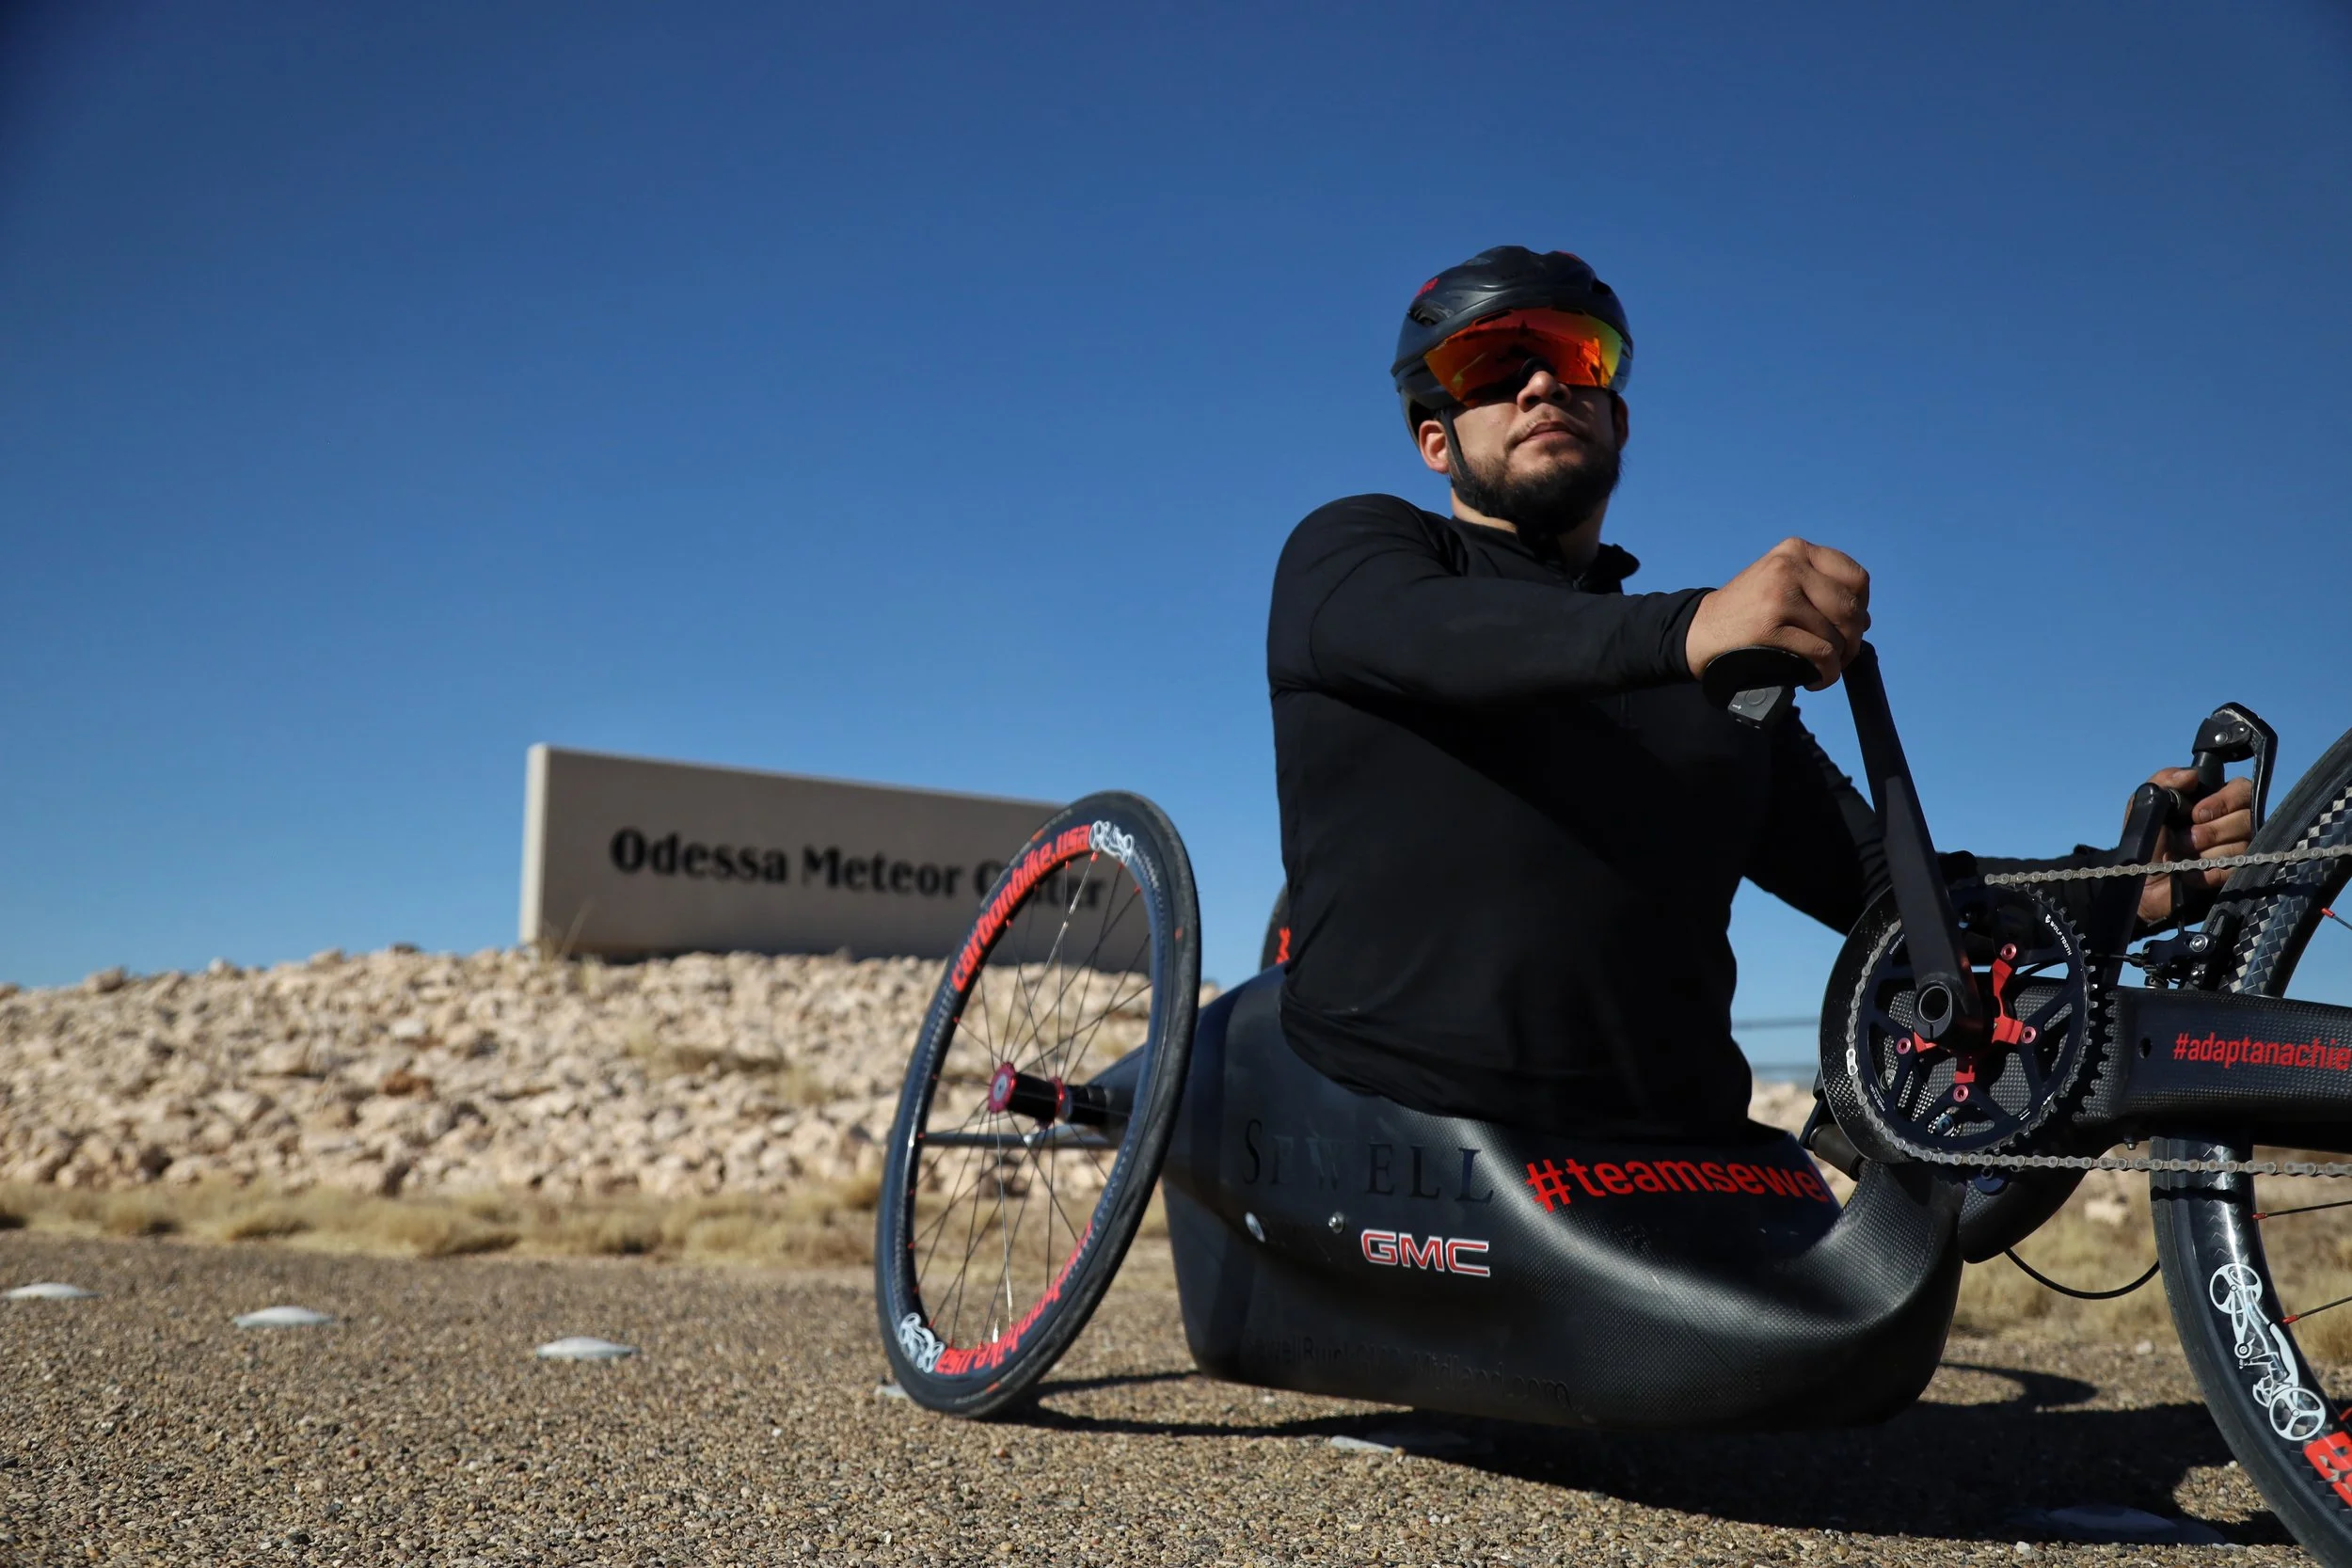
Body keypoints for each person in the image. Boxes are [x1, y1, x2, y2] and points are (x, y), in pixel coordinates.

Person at [1266, 245, 2254, 1140]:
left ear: (1616, 415)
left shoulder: (1710, 681)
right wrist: (1693, 626)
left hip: (1671, 1146)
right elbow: (1441, 639)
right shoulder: (1359, 554)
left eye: (1576, 359)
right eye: (1490, 368)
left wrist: (2131, 884)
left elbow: (1891, 899)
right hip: (1398, 1124)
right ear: (1435, 440)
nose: (1538, 385)